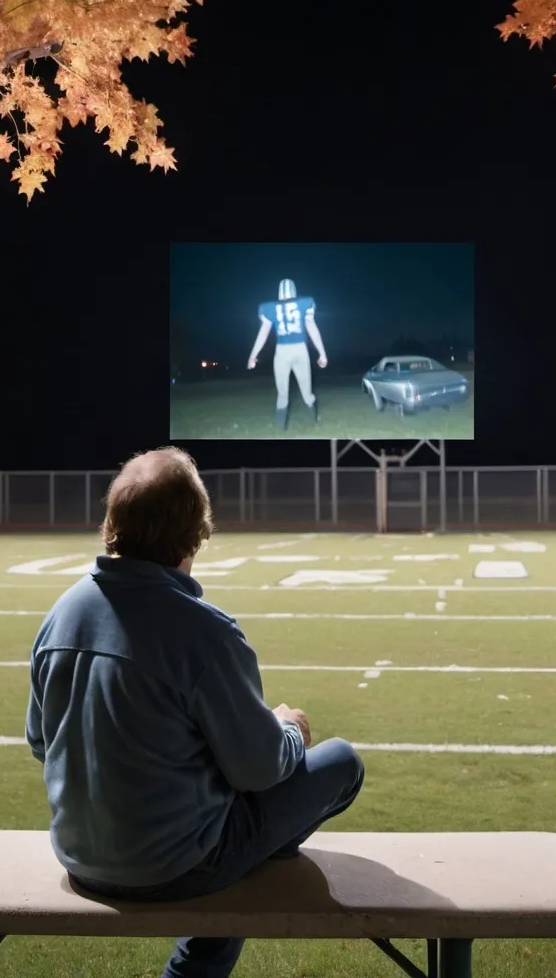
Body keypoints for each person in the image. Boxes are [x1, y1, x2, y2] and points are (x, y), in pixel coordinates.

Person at [25, 446, 365, 978]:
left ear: (111, 524)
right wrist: (289, 728)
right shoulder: (205, 631)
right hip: (174, 867)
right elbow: (258, 770)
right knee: (342, 763)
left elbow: (43, 743)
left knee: (228, 815)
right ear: (195, 533)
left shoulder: (60, 615)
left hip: (77, 858)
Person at [247, 278, 328, 430]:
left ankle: (283, 428)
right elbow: (312, 328)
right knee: (305, 394)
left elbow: (263, 332)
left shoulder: (269, 308)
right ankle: (308, 419)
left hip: (282, 352)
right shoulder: (305, 303)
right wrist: (322, 353)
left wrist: (253, 355)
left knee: (283, 393)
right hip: (299, 350)